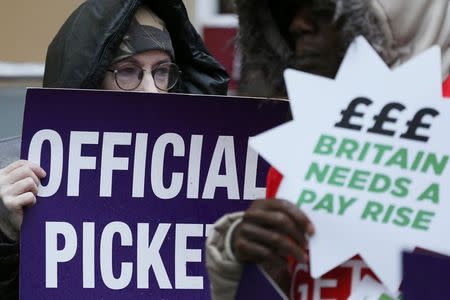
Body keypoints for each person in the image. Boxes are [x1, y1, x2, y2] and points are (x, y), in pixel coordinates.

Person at [206, 0, 450, 299]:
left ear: (397, 21)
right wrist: (247, 269)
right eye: (290, 13)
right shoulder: (304, 140)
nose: (298, 26)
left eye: (323, 11)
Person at [0, 0, 228, 298]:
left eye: (161, 71)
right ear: (93, 82)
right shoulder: (22, 175)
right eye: (129, 71)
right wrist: (7, 234)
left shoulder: (208, 173)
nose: (152, 90)